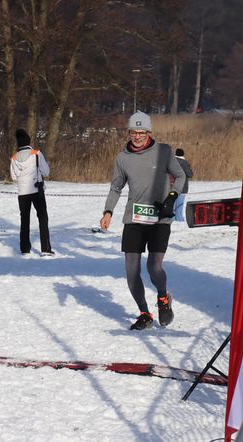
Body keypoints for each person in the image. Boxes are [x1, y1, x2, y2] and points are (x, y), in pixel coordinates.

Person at [99, 111, 185, 330]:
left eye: (142, 132)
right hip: (134, 219)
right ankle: (145, 314)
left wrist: (171, 198)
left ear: (149, 132)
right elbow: (116, 187)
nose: (137, 136)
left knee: (154, 267)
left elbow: (181, 176)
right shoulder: (122, 158)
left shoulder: (163, 151)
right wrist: (108, 211)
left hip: (160, 219)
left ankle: (164, 298)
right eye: (133, 132)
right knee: (131, 271)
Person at [10, 128, 53, 257]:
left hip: (22, 193)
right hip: (36, 190)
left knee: (24, 220)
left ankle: (24, 249)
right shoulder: (36, 154)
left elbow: (13, 177)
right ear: (28, 142)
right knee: (43, 218)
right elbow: (46, 172)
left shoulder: (13, 158)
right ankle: (45, 248)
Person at [173, 148, 193, 222]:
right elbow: (190, 174)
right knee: (179, 204)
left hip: (171, 186)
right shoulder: (184, 163)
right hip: (182, 187)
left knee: (172, 203)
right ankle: (179, 219)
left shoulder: (171, 161)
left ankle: (171, 219)